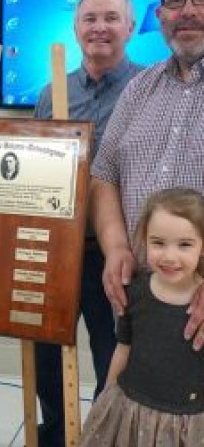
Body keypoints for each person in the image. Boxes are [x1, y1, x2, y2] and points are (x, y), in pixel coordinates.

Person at [33, 0, 143, 446]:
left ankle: (99, 434)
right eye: (90, 18)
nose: (100, 27)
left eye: (111, 18)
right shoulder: (49, 94)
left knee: (111, 353)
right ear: (76, 29)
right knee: (45, 354)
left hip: (114, 256)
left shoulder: (147, 90)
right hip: (55, 250)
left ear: (130, 28)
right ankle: (57, 431)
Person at [91, 0, 204, 355]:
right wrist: (116, 246)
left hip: (198, 301)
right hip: (138, 295)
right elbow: (104, 176)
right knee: (131, 404)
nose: (188, 10)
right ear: (160, 16)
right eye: (175, 0)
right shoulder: (140, 88)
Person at [80, 187, 204, 445]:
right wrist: (107, 396)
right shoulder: (134, 292)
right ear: (144, 240)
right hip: (131, 415)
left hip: (187, 423)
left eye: (184, 244)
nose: (170, 257)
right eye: (158, 243)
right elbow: (123, 348)